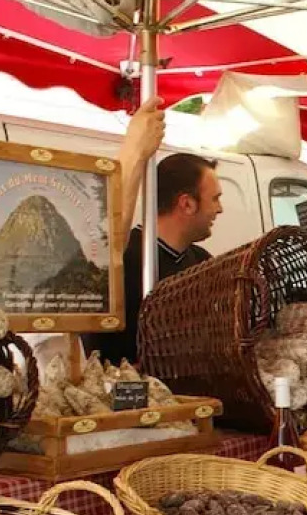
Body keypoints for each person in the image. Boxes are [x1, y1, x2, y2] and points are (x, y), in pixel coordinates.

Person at [85, 98, 222, 364]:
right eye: (215, 198)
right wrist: (136, 150)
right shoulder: (125, 256)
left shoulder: (204, 264)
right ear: (187, 203)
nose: (220, 209)